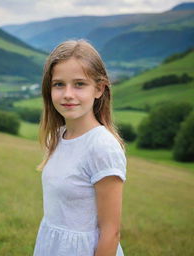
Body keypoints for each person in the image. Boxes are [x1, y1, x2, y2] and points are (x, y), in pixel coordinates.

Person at [33, 39, 127, 256]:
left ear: (99, 89)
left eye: (79, 84)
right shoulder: (57, 136)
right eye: (59, 84)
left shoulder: (102, 147)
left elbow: (111, 232)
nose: (67, 94)